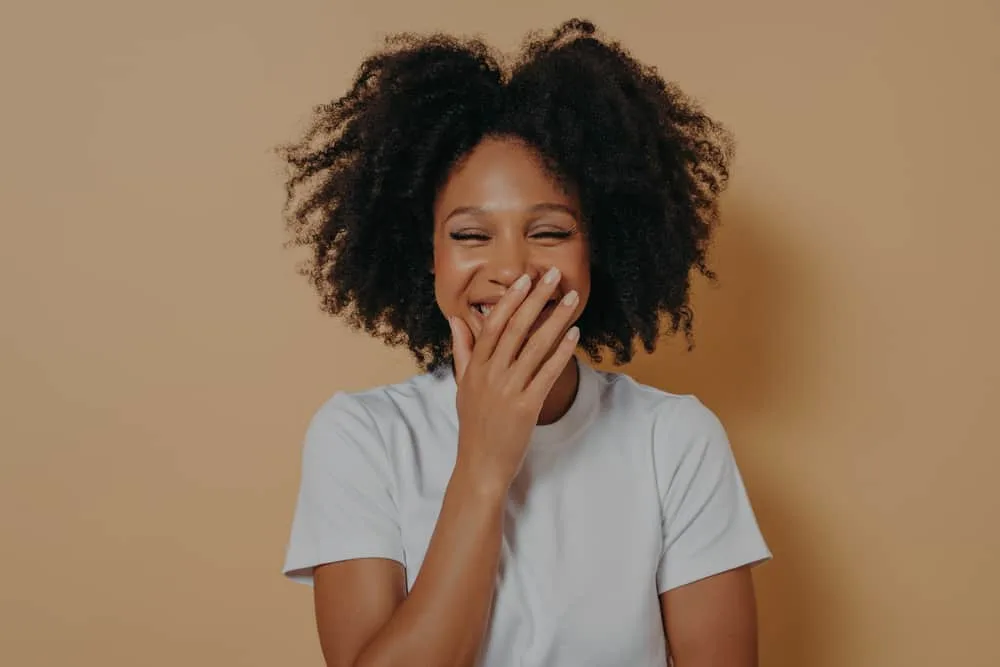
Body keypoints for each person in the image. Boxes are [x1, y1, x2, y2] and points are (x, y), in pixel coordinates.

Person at [278, 17, 771, 667]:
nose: (511, 269)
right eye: (470, 235)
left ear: (601, 247)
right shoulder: (360, 436)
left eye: (549, 231)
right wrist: (484, 460)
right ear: (426, 253)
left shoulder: (673, 439)